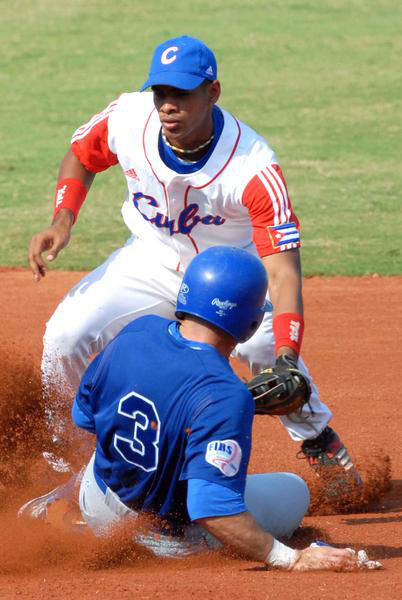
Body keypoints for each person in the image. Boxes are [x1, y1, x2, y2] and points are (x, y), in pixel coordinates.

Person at [28, 35, 359, 480]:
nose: (167, 106)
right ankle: (66, 459)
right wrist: (62, 219)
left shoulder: (253, 167)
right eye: (161, 94)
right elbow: (80, 156)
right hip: (151, 258)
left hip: (235, 274)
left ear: (212, 92)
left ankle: (317, 438)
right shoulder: (128, 119)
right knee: (65, 336)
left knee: (267, 349)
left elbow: (283, 277)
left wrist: (286, 355)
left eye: (181, 95)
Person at [19, 247, 366, 570]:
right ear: (250, 325)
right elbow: (212, 511)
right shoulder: (225, 396)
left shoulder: (138, 329)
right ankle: (144, 538)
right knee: (294, 492)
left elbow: (85, 416)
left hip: (95, 494)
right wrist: (293, 559)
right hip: (155, 533)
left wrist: (203, 407)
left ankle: (64, 499)